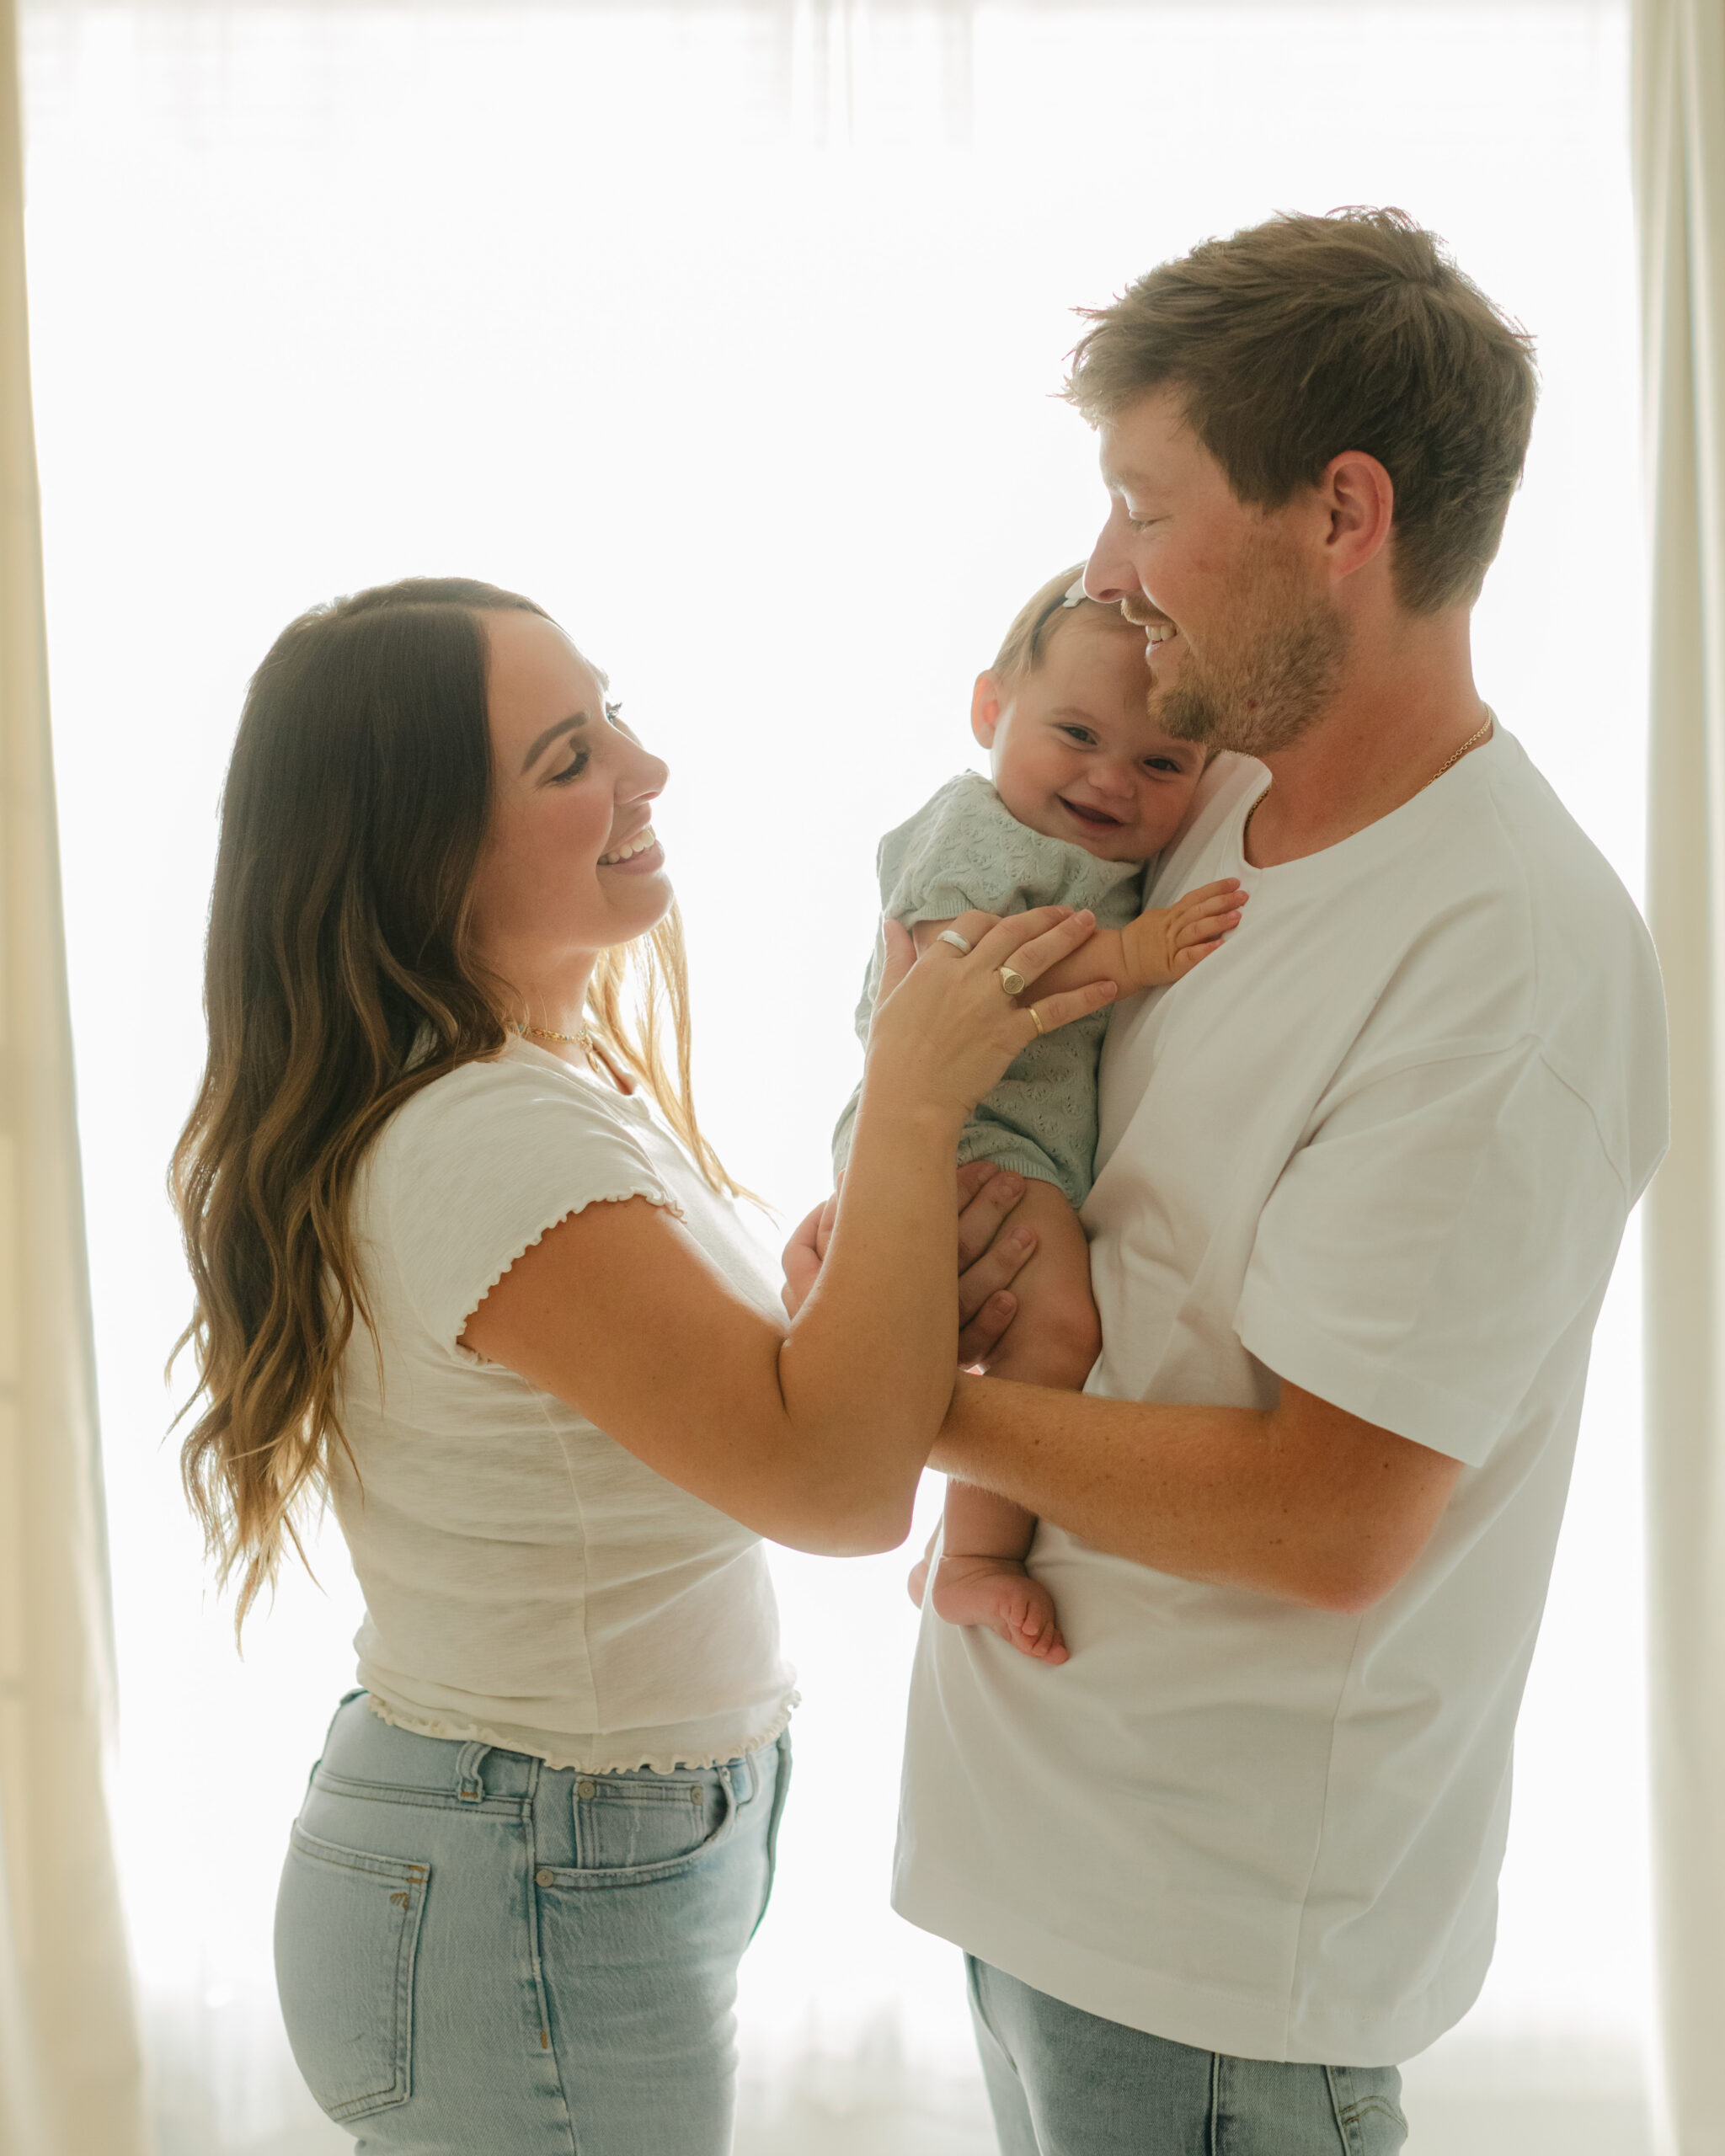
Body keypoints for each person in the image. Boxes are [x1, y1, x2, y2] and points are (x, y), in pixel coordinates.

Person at [790, 209, 1669, 2153]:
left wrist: (895, 1392)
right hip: (1040, 1863)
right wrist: (896, 1238)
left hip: (1212, 1959)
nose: (1104, 569)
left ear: (1339, 514)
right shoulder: (1218, 800)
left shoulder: (1499, 956)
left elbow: (1330, 1514)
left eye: (1140, 502)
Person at [168, 576, 1113, 2156]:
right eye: (566, 759)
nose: (643, 771)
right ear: (425, 851)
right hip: (527, 1861)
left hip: (552, 1848)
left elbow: (754, 1420)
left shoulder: (537, 1083)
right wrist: (914, 1099)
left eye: (615, 714)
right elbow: (835, 1487)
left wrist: (851, 1294)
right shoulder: (490, 1135)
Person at [830, 565, 1243, 1662]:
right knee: (1057, 1329)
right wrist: (1133, 955)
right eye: (1076, 735)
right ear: (988, 710)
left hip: (1016, 1144)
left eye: (1161, 762)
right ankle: (968, 1556)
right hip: (960, 1130)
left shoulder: (1118, 859)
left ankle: (954, 1541)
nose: (1112, 780)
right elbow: (967, 983)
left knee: (1006, 1332)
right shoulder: (973, 830)